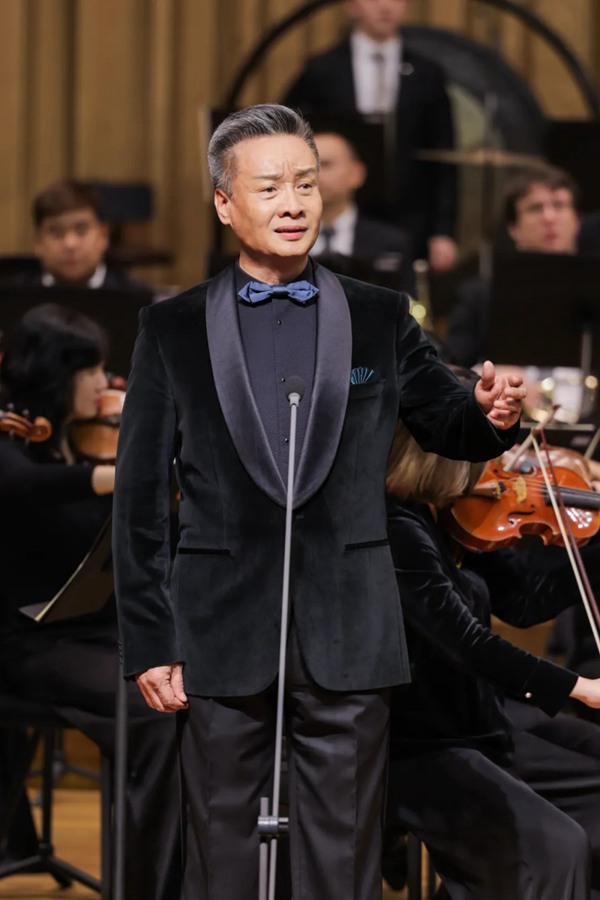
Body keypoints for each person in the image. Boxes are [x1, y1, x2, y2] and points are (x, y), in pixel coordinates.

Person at [112, 102, 525, 900]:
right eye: (270, 187)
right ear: (225, 203)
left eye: (306, 183)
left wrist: (492, 415)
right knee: (223, 854)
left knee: (344, 858)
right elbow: (136, 503)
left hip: (350, 623)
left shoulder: (378, 314)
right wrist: (150, 640)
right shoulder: (171, 328)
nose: (294, 202)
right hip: (219, 626)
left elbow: (449, 423)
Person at [0, 303, 181, 899]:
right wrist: (120, 475)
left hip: (93, 631)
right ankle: (146, 883)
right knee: (156, 711)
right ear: (59, 375)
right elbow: (21, 485)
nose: (105, 383)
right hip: (29, 644)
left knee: (193, 686)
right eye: (93, 370)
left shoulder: (82, 436)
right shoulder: (13, 442)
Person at [384, 416, 600, 899]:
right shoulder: (399, 529)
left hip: (480, 719)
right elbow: (467, 642)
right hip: (421, 740)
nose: (500, 463)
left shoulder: (450, 516)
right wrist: (578, 687)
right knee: (557, 847)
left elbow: (523, 602)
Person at [284, 0, 457, 270]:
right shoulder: (322, 70)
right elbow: (288, 134)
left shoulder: (427, 73)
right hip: (336, 208)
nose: (385, 7)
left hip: (410, 212)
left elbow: (444, 153)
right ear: (351, 5)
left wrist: (443, 230)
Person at [446, 165, 581, 367]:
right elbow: (451, 370)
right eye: (535, 208)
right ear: (513, 227)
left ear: (576, 220)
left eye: (559, 205)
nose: (549, 218)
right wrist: (486, 376)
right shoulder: (478, 297)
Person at [10, 179, 152, 292]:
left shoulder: (141, 303)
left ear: (103, 236)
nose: (70, 244)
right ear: (38, 242)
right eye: (57, 232)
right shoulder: (10, 300)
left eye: (81, 230)